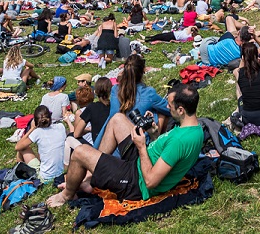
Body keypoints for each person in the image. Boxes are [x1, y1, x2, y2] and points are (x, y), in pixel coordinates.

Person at [47, 83, 205, 206]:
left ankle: (66, 195)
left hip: (137, 181)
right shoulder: (193, 129)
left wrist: (142, 147)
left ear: (181, 110)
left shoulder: (180, 140)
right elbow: (167, 153)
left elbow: (150, 182)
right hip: (142, 164)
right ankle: (90, 174)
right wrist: (153, 133)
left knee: (79, 152)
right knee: (118, 119)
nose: (167, 107)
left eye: (170, 105)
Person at [65, 77, 112, 166]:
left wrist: (90, 129)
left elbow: (77, 134)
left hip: (97, 148)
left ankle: (66, 168)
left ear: (95, 92)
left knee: (70, 137)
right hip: (111, 146)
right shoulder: (115, 106)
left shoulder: (92, 108)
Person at [17, 105, 67, 184]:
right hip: (61, 174)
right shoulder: (61, 127)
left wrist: (32, 129)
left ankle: (19, 172)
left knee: (24, 149)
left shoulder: (37, 132)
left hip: (45, 178)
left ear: (36, 121)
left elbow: (18, 146)